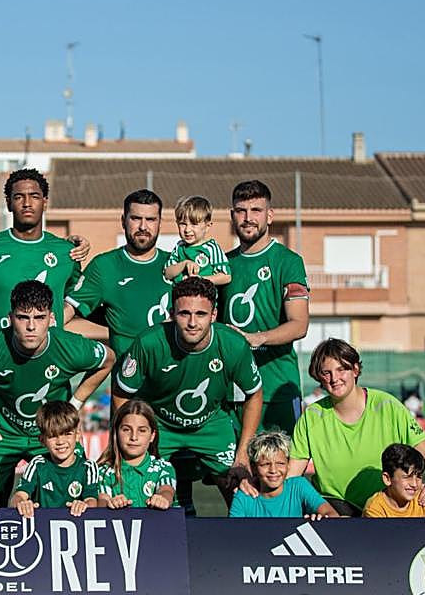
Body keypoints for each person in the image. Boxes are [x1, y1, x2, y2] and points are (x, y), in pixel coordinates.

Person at [0, 280, 114, 499]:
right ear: (10, 318)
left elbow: (108, 359)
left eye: (39, 318)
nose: (31, 327)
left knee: (77, 498)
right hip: (0, 432)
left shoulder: (71, 347)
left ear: (51, 319)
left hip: (51, 433)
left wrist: (74, 405)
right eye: (23, 317)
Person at [114, 276, 263, 513]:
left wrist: (243, 454)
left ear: (214, 315)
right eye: (184, 314)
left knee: (241, 487)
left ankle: (245, 544)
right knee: (140, 490)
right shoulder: (149, 342)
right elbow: (122, 391)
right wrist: (123, 437)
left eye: (201, 314)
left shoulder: (233, 345)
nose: (192, 322)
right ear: (172, 313)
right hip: (159, 424)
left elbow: (254, 395)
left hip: (211, 423)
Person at [286, 339, 425, 516]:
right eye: (326, 372)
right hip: (335, 511)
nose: (334, 378)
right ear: (319, 377)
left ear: (355, 370)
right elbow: (292, 478)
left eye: (341, 369)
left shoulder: (388, 406)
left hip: (387, 507)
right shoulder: (311, 416)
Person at [218, 180, 310, 434]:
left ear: (270, 216)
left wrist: (255, 339)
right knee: (235, 472)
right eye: (241, 211)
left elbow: (299, 324)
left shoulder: (288, 262)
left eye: (256, 211)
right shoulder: (222, 265)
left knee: (279, 471)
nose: (248, 218)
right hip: (232, 391)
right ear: (232, 216)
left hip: (277, 388)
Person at [0, 168, 86, 334]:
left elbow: (80, 298)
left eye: (34, 196)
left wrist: (56, 322)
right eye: (18, 197)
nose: (27, 203)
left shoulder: (66, 252)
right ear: (8, 203)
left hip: (50, 356)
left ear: (45, 202)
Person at [63, 189, 173, 357]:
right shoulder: (105, 266)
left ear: (159, 223)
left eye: (150, 219)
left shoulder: (176, 264)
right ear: (123, 221)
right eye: (136, 218)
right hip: (125, 377)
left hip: (172, 376)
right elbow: (70, 308)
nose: (143, 226)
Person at [10, 400, 101, 517]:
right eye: (53, 436)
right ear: (42, 440)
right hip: (43, 529)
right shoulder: (38, 464)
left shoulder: (88, 467)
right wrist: (21, 504)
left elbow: (91, 500)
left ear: (77, 435)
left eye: (67, 434)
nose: (60, 442)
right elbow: (19, 496)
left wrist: (85, 506)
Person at [228, 431, 338, 519]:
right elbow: (232, 534)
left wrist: (321, 520)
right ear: (253, 468)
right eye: (266, 464)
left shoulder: (298, 486)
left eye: (280, 463)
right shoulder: (244, 496)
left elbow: (333, 515)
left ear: (288, 465)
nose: (273, 470)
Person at [96, 399, 176, 510]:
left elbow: (166, 490)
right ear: (116, 432)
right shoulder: (103, 472)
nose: (134, 437)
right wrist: (110, 504)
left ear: (152, 435)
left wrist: (162, 498)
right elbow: (102, 500)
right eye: (126, 430)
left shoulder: (163, 468)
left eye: (142, 431)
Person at [361, 443, 425, 518]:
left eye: (419, 477)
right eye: (407, 477)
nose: (414, 484)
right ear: (387, 479)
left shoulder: (423, 498)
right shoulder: (375, 508)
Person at [163, 195, 231, 286]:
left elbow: (226, 276)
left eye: (194, 224)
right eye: (183, 224)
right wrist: (184, 264)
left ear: (207, 226)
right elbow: (167, 273)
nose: (187, 230)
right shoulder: (179, 247)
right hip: (180, 298)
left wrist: (201, 280)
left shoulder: (211, 248)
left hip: (204, 298)